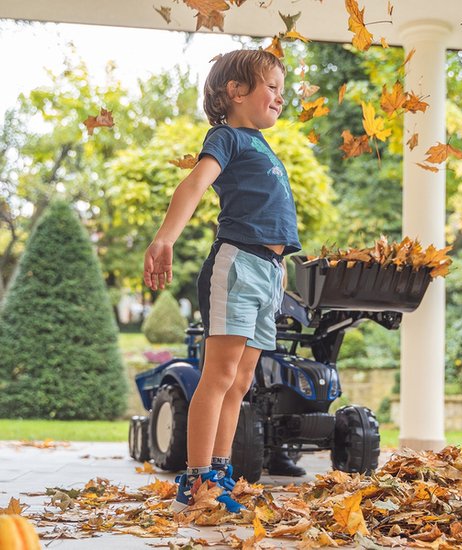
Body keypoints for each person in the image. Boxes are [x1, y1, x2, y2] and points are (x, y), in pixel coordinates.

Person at [143, 49, 301, 513]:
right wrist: (164, 238)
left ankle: (219, 472)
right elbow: (192, 185)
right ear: (236, 91)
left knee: (241, 382)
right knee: (219, 376)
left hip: (266, 272)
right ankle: (195, 482)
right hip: (237, 265)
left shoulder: (264, 146)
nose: (280, 96)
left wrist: (281, 267)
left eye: (281, 89)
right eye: (270, 86)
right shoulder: (227, 137)